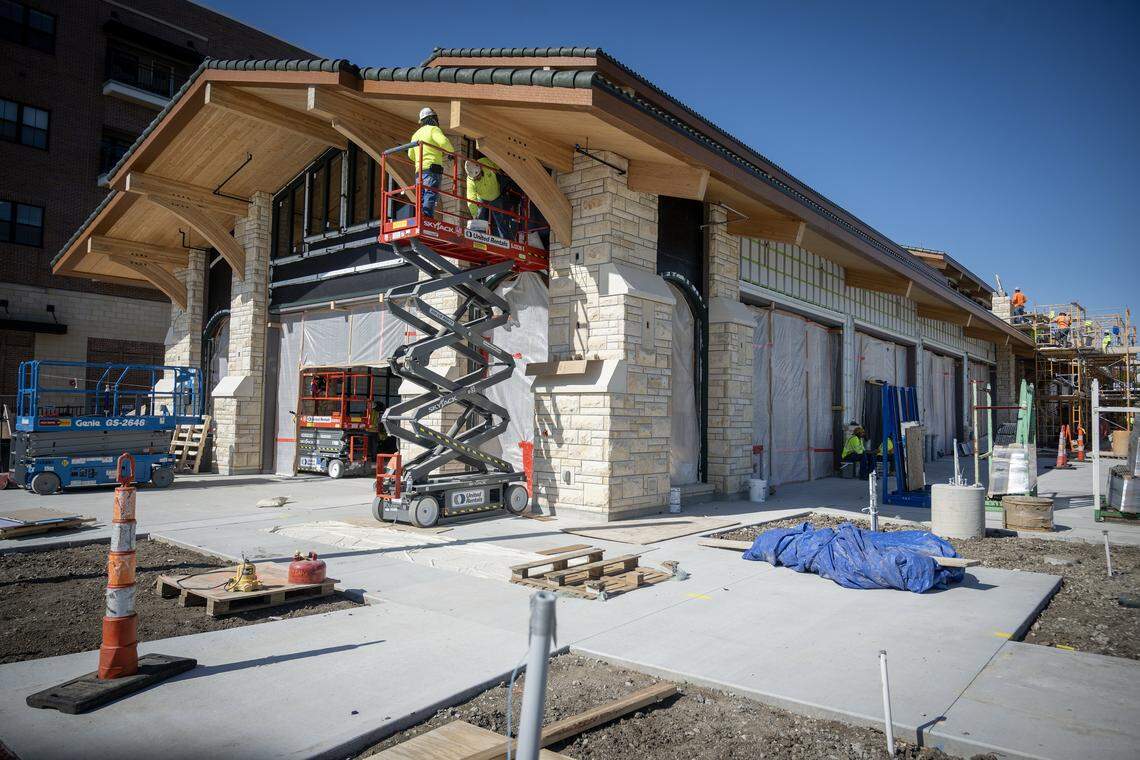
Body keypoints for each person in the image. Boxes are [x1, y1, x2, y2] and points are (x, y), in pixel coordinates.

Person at [407, 107, 453, 219]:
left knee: (421, 195)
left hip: (419, 171)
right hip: (432, 169)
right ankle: (426, 217)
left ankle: (420, 216)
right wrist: (451, 152)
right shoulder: (433, 129)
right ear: (433, 118)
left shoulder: (415, 135)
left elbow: (410, 154)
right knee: (430, 193)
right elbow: (443, 142)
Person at [464, 156, 513, 239]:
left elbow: (498, 163)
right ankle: (479, 237)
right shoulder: (470, 180)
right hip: (482, 198)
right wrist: (474, 213)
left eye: (478, 176)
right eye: (475, 178)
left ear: (479, 168)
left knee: (500, 221)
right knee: (479, 218)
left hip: (496, 197)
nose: (477, 178)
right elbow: (471, 197)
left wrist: (507, 168)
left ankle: (507, 240)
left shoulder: (485, 162)